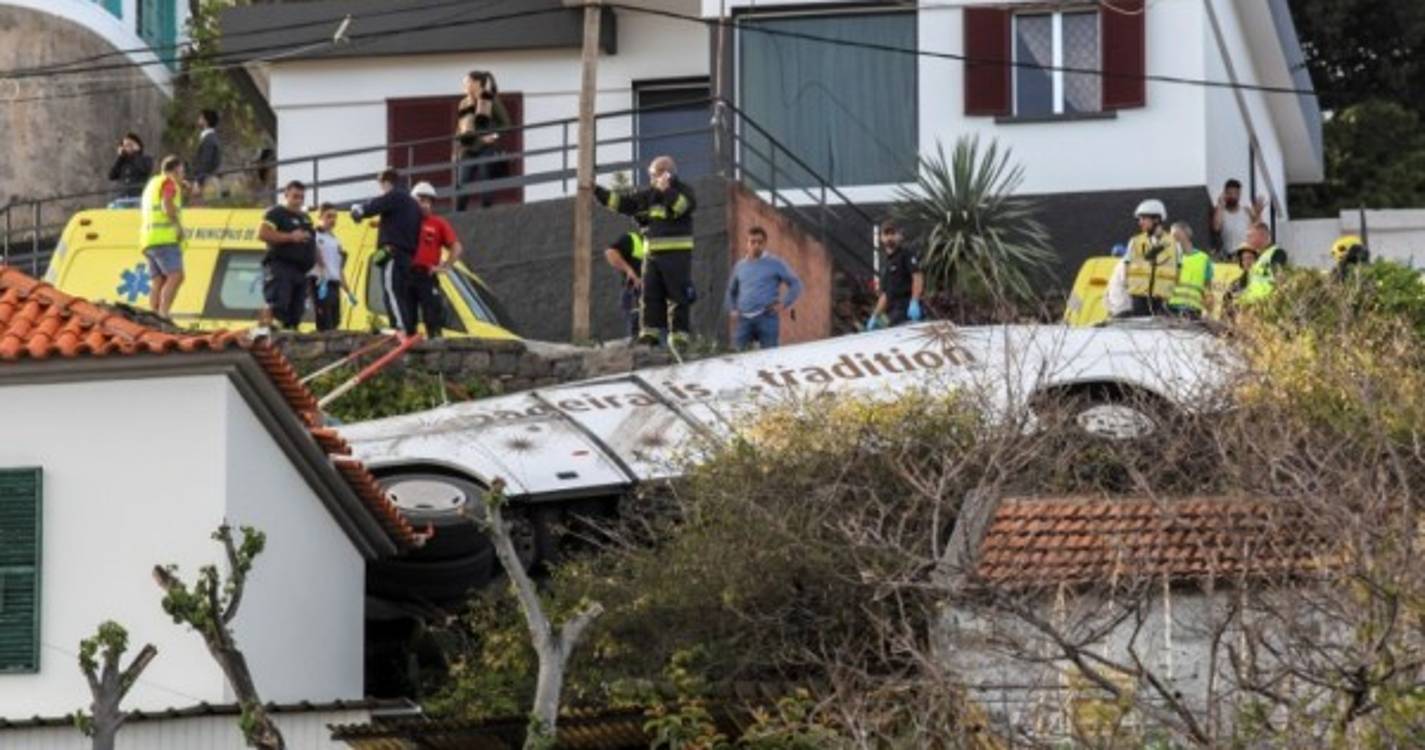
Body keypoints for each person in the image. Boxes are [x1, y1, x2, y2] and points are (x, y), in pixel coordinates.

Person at [594, 155, 697, 348]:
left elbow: (682, 207)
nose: (651, 179)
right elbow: (623, 203)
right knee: (650, 296)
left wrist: (666, 189)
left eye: (653, 175)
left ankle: (679, 337)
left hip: (676, 255)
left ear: (666, 174)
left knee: (677, 295)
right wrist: (597, 191)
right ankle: (649, 334)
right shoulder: (648, 196)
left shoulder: (684, 191)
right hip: (652, 256)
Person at [351, 169, 424, 339]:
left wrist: (357, 211)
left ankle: (401, 328)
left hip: (393, 253)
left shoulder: (394, 195)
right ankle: (409, 328)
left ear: (386, 182)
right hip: (408, 255)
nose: (381, 189)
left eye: (381, 185)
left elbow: (371, 207)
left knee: (392, 290)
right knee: (404, 294)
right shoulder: (413, 204)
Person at [725, 226, 803, 350]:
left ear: (765, 243)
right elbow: (731, 290)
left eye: (760, 242)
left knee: (770, 356)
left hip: (767, 318)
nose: (756, 245)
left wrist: (783, 304)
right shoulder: (740, 266)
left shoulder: (775, 263)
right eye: (752, 242)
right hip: (744, 319)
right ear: (747, 243)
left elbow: (796, 284)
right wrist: (733, 309)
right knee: (736, 356)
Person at [256, 181, 317, 331]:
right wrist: (291, 237)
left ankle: (290, 336)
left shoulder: (306, 218)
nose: (298, 200)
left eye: (302, 197)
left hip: (301, 270)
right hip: (281, 266)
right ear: (286, 195)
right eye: (295, 196)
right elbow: (263, 234)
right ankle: (266, 335)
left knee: (296, 312)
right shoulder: (276, 213)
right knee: (278, 305)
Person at [410, 182, 465, 339]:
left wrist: (446, 266)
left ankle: (434, 344)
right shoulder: (405, 222)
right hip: (406, 274)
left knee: (432, 313)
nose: (426, 205)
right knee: (407, 316)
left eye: (429, 201)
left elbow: (456, 247)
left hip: (427, 275)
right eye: (421, 200)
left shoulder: (438, 223)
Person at [454, 70, 512, 211]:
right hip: (468, 148)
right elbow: (459, 129)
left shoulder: (490, 98)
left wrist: (493, 137)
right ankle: (459, 213)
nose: (464, 85)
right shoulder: (463, 103)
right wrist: (457, 146)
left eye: (466, 82)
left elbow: (506, 124)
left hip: (486, 147)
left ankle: (487, 211)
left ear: (476, 83)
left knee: (485, 176)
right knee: (462, 182)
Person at [139, 155, 187, 317]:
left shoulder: (152, 184)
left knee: (158, 280)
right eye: (182, 172)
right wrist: (178, 227)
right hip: (165, 239)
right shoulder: (168, 183)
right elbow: (166, 205)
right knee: (176, 276)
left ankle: (153, 314)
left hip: (148, 240)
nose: (183, 175)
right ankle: (163, 314)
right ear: (175, 170)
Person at [1120, 199, 1178, 317]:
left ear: (1156, 219)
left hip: (1161, 301)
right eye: (1139, 219)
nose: (1140, 223)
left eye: (1143, 219)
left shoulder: (1174, 245)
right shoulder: (1135, 242)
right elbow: (1124, 273)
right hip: (1139, 301)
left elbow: (1179, 273)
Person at [866, 220, 924, 330]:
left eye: (893, 233)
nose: (889, 237)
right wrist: (875, 316)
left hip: (907, 309)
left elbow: (917, 277)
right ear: (881, 238)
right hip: (893, 312)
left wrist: (914, 301)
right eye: (886, 234)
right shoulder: (887, 264)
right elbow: (885, 295)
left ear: (899, 236)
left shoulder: (906, 255)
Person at [308, 203, 356, 332]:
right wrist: (322, 275)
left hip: (334, 284)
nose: (332, 220)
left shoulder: (336, 241)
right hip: (319, 282)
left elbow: (339, 269)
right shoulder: (314, 235)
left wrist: (348, 292)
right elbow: (315, 256)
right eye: (329, 216)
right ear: (320, 217)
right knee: (325, 321)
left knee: (335, 321)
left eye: (335, 217)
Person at [602, 218, 648, 341]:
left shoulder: (660, 245)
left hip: (654, 296)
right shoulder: (633, 240)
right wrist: (629, 270)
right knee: (638, 332)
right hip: (635, 292)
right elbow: (610, 253)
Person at [1166, 223, 1213, 320]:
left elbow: (1208, 285)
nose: (1173, 237)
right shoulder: (1168, 258)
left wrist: (1208, 310)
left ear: (1187, 234)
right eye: (1171, 235)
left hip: (1193, 310)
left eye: (1176, 234)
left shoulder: (1203, 258)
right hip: (1171, 308)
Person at [1238, 221, 1288, 306]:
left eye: (1251, 236)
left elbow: (1280, 277)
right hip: (1252, 306)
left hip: (1266, 306)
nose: (1247, 240)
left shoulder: (1276, 253)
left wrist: (1277, 301)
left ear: (1262, 236)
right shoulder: (1259, 258)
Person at [1212, 179, 1264, 257]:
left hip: (1247, 255)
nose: (1233, 196)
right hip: (1229, 256)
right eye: (1230, 193)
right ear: (1224, 194)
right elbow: (1216, 227)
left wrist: (1259, 214)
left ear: (1240, 195)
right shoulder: (1220, 211)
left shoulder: (1247, 211)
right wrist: (1220, 205)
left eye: (1236, 193)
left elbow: (1259, 229)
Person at [108, 132, 152, 203]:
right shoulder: (122, 161)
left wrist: (136, 153)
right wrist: (120, 157)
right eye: (125, 145)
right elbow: (111, 176)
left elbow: (143, 169)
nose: (127, 148)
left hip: (138, 198)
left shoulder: (146, 159)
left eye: (130, 145)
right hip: (122, 198)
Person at [191, 109, 223, 201]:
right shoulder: (211, 137)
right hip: (208, 180)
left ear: (206, 121)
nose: (198, 120)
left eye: (200, 117)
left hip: (206, 183)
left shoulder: (209, 139)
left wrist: (198, 182)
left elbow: (206, 162)